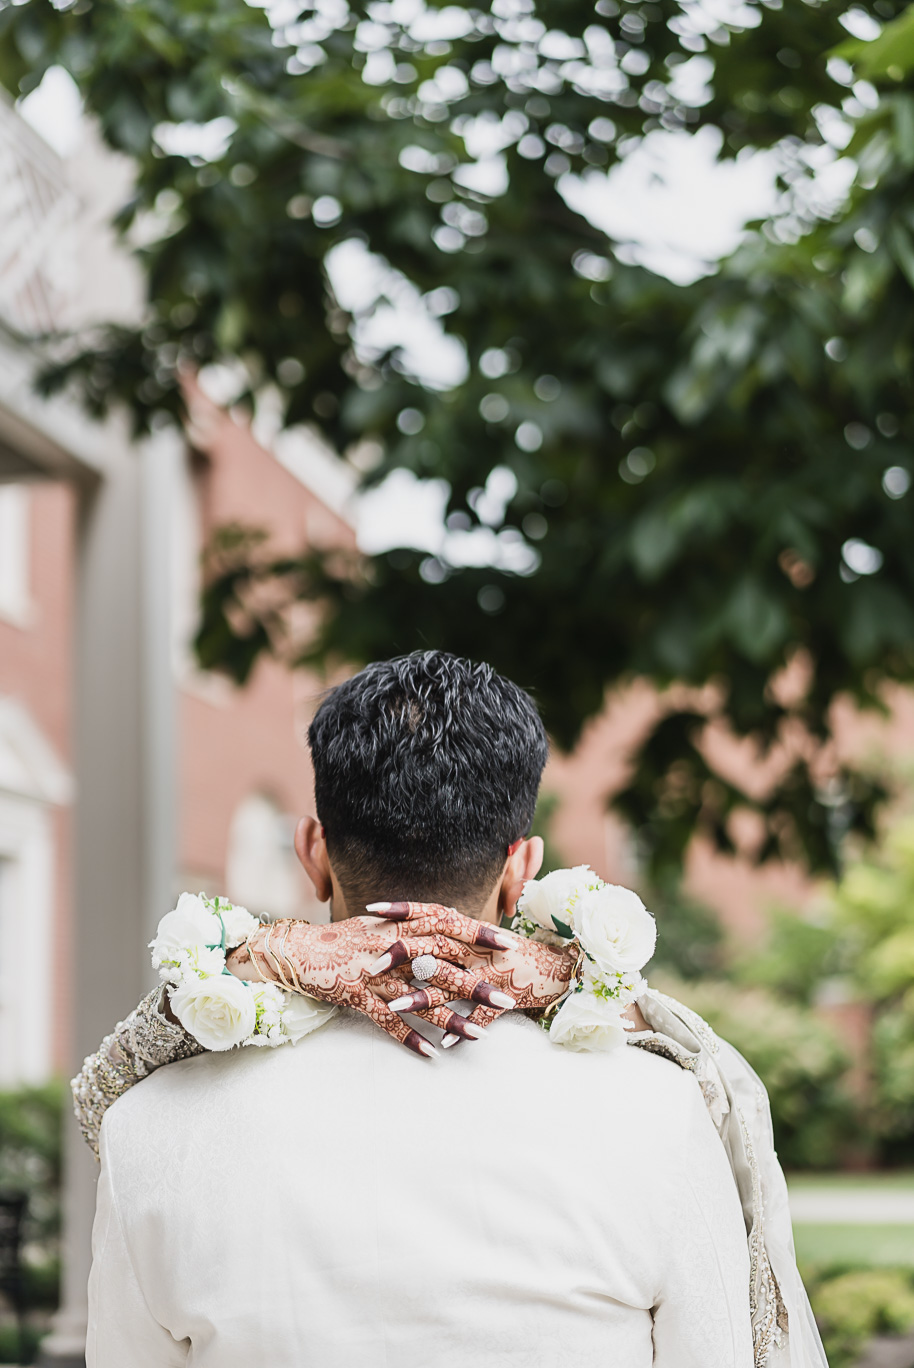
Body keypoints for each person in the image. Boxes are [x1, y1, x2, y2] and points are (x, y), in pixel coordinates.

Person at [81, 651, 826, 1368]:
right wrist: (570, 974)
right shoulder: (661, 1110)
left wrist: (258, 961)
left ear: (311, 853)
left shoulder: (151, 1123)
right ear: (523, 870)